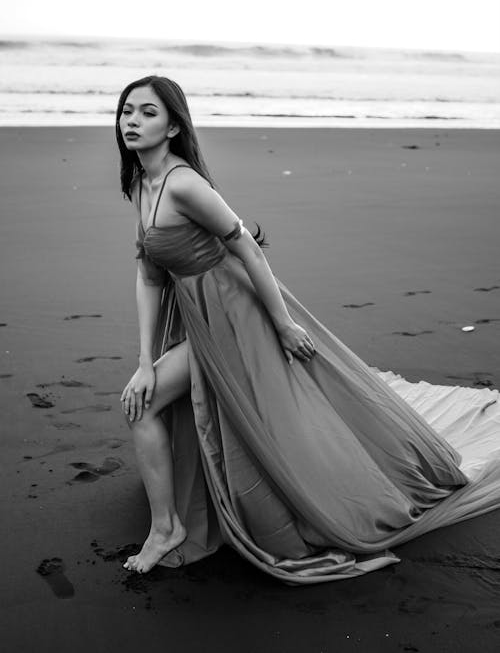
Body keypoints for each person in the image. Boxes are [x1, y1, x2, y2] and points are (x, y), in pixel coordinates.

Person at [118, 75, 500, 585]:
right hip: (196, 317)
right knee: (142, 397)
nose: (133, 121)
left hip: (235, 316)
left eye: (147, 113)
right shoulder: (140, 184)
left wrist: (282, 324)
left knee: (227, 416)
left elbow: (246, 247)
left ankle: (166, 530)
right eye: (126, 111)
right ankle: (166, 524)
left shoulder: (184, 183)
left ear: (172, 126)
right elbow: (148, 273)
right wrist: (145, 360)